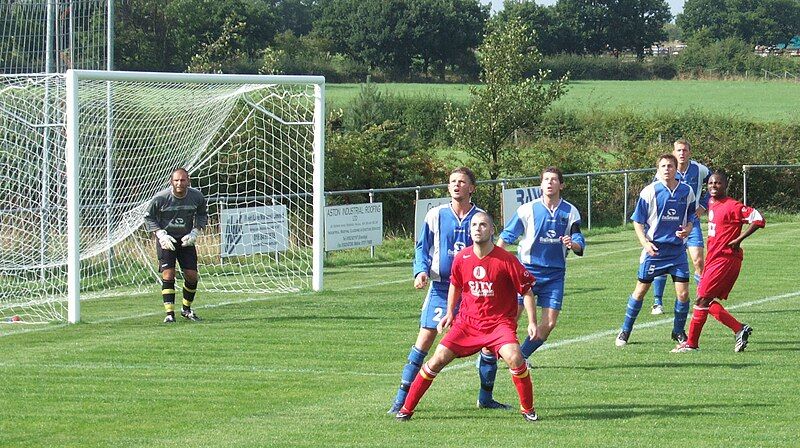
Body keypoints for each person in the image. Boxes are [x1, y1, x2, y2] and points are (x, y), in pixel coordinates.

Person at [396, 212, 540, 422]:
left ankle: (528, 410)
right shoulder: (462, 258)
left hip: (499, 325)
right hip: (467, 323)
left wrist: (532, 322)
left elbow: (526, 290)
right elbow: (455, 285)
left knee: (515, 358)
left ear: (492, 230)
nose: (477, 228)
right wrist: (449, 313)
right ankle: (406, 409)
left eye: (483, 225)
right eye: (474, 225)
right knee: (436, 360)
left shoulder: (507, 260)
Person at [389, 167, 509, 414]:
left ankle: (485, 398)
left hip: (474, 291)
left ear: (471, 188)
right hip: (442, 289)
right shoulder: (436, 215)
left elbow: (491, 251)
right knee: (423, 341)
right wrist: (420, 271)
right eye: (453, 181)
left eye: (462, 182)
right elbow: (421, 248)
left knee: (488, 344)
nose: (456, 185)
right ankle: (400, 400)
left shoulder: (480, 217)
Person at [497, 167, 585, 362]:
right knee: (511, 319)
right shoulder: (527, 209)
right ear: (541, 184)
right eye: (546, 179)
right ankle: (489, 356)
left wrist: (573, 243)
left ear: (561, 185)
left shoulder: (570, 211)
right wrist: (493, 263)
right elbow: (506, 237)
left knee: (549, 323)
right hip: (527, 271)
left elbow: (579, 241)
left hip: (555, 275)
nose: (550, 182)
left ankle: (521, 356)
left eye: (554, 179)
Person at [672, 172, 764, 353]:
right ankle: (737, 329)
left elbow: (758, 219)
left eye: (718, 183)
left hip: (726, 258)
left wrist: (739, 239)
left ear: (725, 185)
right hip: (714, 258)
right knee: (704, 300)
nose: (714, 186)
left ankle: (693, 343)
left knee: (701, 299)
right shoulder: (711, 202)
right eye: (711, 183)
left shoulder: (733, 206)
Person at [616, 154, 696, 347]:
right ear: (657, 170)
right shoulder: (649, 191)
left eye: (670, 165)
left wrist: (688, 229)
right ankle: (625, 330)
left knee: (683, 294)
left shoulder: (687, 191)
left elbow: (692, 215)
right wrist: (645, 243)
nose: (667, 169)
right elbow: (637, 221)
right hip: (655, 252)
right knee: (640, 291)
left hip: (677, 252)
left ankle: (678, 331)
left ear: (677, 169)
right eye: (663, 166)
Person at [650, 139, 711, 315]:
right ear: (674, 152)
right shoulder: (665, 171)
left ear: (690, 152)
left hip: (692, 222)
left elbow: (714, 182)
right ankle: (657, 302)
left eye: (685, 150)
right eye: (678, 150)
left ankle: (702, 300)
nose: (682, 153)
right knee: (662, 261)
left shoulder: (699, 169)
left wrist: (704, 205)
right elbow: (655, 193)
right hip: (668, 225)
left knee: (699, 261)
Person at [144, 168, 208, 323]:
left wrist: (195, 232)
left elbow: (202, 213)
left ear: (188, 181)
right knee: (168, 274)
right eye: (176, 180)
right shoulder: (161, 198)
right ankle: (169, 314)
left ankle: (186, 309)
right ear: (171, 181)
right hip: (167, 241)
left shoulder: (197, 196)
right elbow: (148, 217)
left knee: (192, 276)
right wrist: (160, 234)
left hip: (186, 241)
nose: (180, 183)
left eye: (183, 180)